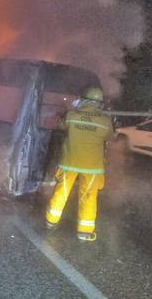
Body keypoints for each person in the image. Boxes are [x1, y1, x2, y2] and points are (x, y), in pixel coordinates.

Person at [45, 86, 113, 241]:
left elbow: (59, 126)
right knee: (88, 197)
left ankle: (51, 222)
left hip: (69, 162)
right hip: (92, 167)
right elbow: (109, 137)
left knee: (61, 192)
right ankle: (84, 232)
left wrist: (71, 110)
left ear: (82, 100)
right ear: (100, 104)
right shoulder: (105, 120)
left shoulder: (71, 115)